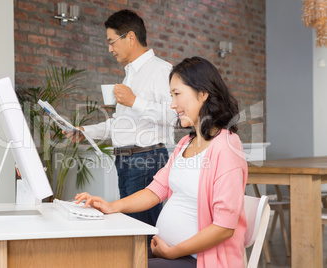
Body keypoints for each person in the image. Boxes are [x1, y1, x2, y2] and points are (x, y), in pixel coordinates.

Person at [75, 57, 248, 268]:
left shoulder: (227, 146)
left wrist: (173, 252)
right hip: (172, 253)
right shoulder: (186, 143)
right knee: (108, 258)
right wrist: (110, 206)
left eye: (177, 94)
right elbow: (155, 190)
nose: (173, 104)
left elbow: (224, 227)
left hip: (200, 260)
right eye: (171, 96)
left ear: (203, 94)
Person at [65, 9, 176, 227]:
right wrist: (86, 132)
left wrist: (134, 101)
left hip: (146, 160)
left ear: (131, 37)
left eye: (112, 41)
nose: (110, 49)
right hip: (126, 161)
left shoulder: (161, 70)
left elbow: (175, 116)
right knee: (129, 228)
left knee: (140, 231)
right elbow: (121, 124)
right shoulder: (130, 74)